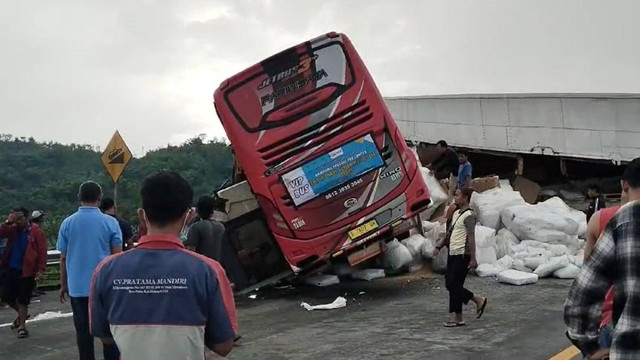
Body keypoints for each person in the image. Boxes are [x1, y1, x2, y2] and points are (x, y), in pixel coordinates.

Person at [90, 171, 236, 359]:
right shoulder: (209, 271)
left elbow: (105, 337)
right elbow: (223, 346)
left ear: (142, 215)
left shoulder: (105, 270)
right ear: (189, 216)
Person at [565, 157, 640, 360]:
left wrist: (588, 346)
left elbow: (584, 290)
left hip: (615, 323)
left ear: (624, 186)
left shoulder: (614, 221)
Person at [57, 181, 122, 360]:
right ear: (100, 198)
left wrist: (63, 284)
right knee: (108, 334)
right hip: (104, 287)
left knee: (83, 334)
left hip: (77, 288)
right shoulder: (110, 223)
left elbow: (63, 257)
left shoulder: (67, 223)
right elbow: (117, 257)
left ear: (79, 198)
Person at [433, 188, 487, 327]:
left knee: (453, 285)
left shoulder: (469, 215)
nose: (455, 198)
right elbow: (450, 232)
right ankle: (458, 317)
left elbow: (471, 237)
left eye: (457, 196)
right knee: (451, 285)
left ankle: (477, 300)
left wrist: (473, 258)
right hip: (453, 253)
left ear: (466, 197)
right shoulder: (457, 213)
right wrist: (439, 246)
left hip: (463, 255)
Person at [0, 208, 47, 338]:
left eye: (20, 218)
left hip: (27, 270)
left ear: (27, 218)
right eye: (16, 218)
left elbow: (42, 251)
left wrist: (40, 270)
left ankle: (22, 326)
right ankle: (22, 315)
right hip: (10, 268)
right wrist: (9, 221)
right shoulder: (12, 229)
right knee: (6, 297)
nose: (18, 221)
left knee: (23, 299)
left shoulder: (36, 232)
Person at [185, 196, 226, 262]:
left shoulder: (195, 227)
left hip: (204, 267)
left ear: (198, 210)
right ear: (212, 210)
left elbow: (191, 253)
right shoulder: (221, 226)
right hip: (219, 267)